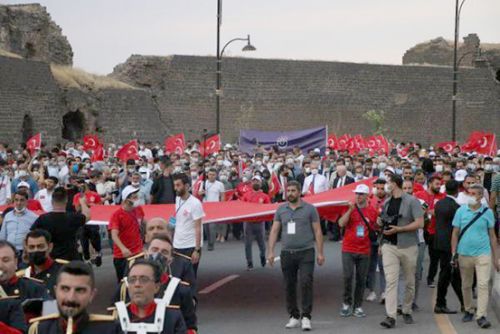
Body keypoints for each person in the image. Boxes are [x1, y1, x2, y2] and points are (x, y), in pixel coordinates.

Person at [267, 180, 325, 331]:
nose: (290, 193)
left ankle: (306, 316)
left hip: (306, 252)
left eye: (293, 191)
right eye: (288, 191)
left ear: (299, 192)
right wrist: (271, 251)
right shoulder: (281, 209)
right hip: (287, 253)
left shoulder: (310, 209)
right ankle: (294, 315)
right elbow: (274, 230)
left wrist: (320, 253)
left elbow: (318, 231)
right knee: (289, 285)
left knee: (306, 282)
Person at [115, 236, 197, 333]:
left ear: (170, 260)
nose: (158, 254)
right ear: (145, 253)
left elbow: (190, 327)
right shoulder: (124, 287)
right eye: (154, 250)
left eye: (164, 252)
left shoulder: (181, 289)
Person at [451, 183, 499, 329]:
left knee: (483, 284)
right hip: (464, 253)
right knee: (466, 284)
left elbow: (492, 236)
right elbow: (455, 233)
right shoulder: (460, 211)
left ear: (480, 196)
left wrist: (495, 258)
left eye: (473, 194)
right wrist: (454, 253)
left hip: (483, 253)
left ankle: (481, 315)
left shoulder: (488, 213)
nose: (470, 196)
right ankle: (468, 309)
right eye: (468, 193)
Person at [378, 174, 424, 329]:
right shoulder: (386, 202)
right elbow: (383, 224)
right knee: (391, 281)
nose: (386, 185)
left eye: (388, 182)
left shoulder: (412, 201)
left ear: (395, 184)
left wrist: (400, 229)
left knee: (410, 281)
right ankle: (391, 316)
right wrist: (381, 223)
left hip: (408, 246)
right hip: (389, 245)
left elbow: (420, 222)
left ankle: (406, 309)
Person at [28, 261, 118, 333]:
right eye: (65, 289)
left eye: (80, 290)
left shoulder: (110, 330)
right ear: (55, 291)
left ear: (91, 295)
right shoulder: (39, 330)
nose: (71, 298)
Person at [338, 184, 378, 318]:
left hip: (364, 249)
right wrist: (349, 211)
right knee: (348, 277)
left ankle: (358, 305)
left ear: (367, 196)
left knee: (361, 279)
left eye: (361, 194)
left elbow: (376, 227)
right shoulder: (349, 208)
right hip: (348, 248)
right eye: (357, 193)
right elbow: (341, 223)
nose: (358, 196)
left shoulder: (372, 210)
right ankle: (346, 303)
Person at [115, 259, 187, 334]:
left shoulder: (172, 317)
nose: (137, 284)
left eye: (144, 279)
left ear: (156, 287)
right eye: (132, 280)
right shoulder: (116, 317)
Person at [31, 187, 90, 261]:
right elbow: (87, 216)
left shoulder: (43, 218)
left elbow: (31, 234)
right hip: (71, 258)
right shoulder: (73, 217)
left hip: (51, 258)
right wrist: (83, 203)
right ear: (66, 201)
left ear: (52, 201)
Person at [433, 180, 464, 314]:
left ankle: (463, 303)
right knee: (447, 274)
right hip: (450, 244)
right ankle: (441, 303)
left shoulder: (439, 203)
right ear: (457, 190)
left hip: (439, 242)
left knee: (450, 274)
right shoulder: (457, 207)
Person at [108, 185, 145, 282]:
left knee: (140, 280)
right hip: (122, 256)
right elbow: (114, 235)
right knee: (124, 283)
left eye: (137, 196)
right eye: (134, 197)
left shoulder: (138, 209)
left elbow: (143, 222)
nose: (137, 199)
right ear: (126, 199)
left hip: (138, 253)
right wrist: (123, 248)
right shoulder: (117, 215)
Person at [414, 175, 445, 287]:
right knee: (418, 256)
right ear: (430, 183)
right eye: (437, 184)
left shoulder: (442, 196)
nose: (439, 186)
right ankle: (418, 271)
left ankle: (430, 278)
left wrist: (431, 211)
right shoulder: (419, 195)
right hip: (421, 230)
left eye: (440, 184)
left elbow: (443, 211)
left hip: (434, 231)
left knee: (434, 257)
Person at [172, 173, 205, 277]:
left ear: (186, 186)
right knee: (177, 277)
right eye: (175, 185)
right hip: (177, 245)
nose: (175, 188)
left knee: (190, 278)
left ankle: (192, 294)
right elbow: (176, 217)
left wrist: (197, 250)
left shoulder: (195, 203)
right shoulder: (177, 199)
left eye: (178, 185)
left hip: (190, 246)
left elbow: (198, 227)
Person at [21, 229, 68, 297]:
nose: (36, 250)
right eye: (31, 247)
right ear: (26, 248)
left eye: (40, 246)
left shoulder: (64, 271)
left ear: (50, 247)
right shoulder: (23, 275)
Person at [0, 240, 48, 305]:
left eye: (5, 260)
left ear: (16, 262)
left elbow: (52, 313)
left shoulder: (35, 289)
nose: (0, 265)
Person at [241, 175, 271, 270]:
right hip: (248, 223)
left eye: (257, 181)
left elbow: (269, 209)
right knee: (247, 244)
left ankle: (262, 256)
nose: (255, 183)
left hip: (260, 222)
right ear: (251, 183)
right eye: (254, 181)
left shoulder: (264, 196)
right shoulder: (246, 195)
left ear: (261, 183)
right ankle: (249, 263)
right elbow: (241, 207)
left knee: (262, 243)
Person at [0, 190, 38, 263]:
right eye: (16, 200)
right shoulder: (8, 216)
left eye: (22, 200)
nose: (18, 203)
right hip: (9, 251)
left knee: (23, 273)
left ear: (27, 201)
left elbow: (35, 236)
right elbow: (2, 235)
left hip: (24, 252)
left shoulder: (34, 217)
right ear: (13, 201)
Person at [73, 178, 103, 266]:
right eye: (78, 185)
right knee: (83, 240)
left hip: (93, 220)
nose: (80, 186)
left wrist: (92, 205)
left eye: (81, 184)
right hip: (82, 221)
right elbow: (77, 209)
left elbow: (100, 206)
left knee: (94, 237)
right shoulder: (77, 196)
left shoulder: (94, 194)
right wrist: (81, 202)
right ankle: (87, 259)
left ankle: (98, 252)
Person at [366, 179, 387, 303]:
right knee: (370, 266)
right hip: (370, 236)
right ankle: (371, 291)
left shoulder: (389, 201)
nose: (380, 191)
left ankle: (384, 292)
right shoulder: (369, 201)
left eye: (382, 188)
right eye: (377, 188)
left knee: (383, 266)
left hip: (383, 237)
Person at [198, 168, 224, 251]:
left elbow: (222, 196)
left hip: (215, 207)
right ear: (207, 175)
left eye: (213, 175)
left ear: (216, 175)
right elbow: (199, 193)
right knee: (206, 227)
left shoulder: (220, 184)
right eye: (210, 174)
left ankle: (211, 243)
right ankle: (209, 240)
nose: (211, 176)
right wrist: (201, 192)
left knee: (212, 227)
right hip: (205, 207)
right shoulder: (204, 183)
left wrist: (222, 206)